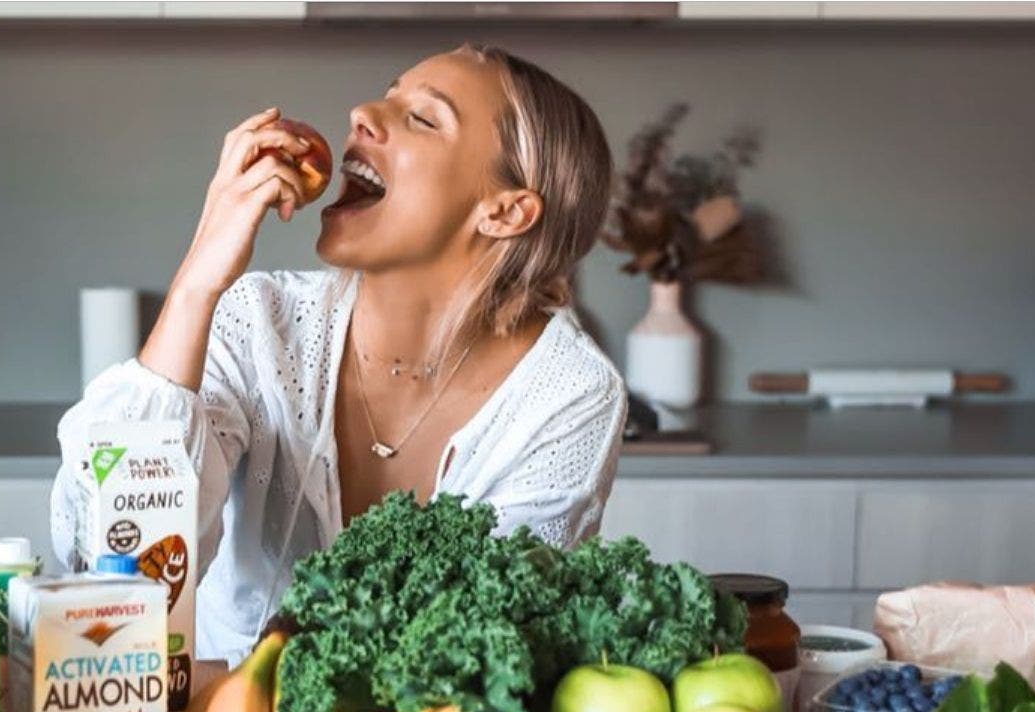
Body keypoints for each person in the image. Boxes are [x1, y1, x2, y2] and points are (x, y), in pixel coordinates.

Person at [52, 43, 627, 667]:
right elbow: (110, 570)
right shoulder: (258, 324)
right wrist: (197, 283)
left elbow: (478, 654)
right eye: (389, 92)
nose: (362, 112)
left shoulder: (568, 391)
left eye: (424, 118)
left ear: (505, 211)